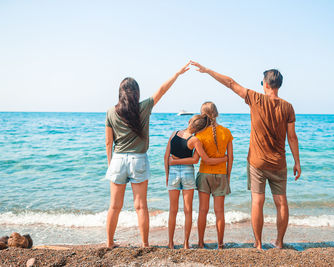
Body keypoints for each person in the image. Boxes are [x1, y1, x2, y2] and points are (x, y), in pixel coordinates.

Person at [190, 61, 301, 249]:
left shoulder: (255, 98)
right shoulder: (288, 107)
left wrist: (208, 71)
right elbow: (292, 137)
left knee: (257, 201)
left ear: (265, 84)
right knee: (281, 202)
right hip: (279, 162)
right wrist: (297, 162)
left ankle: (258, 244)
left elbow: (231, 83)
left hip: (257, 163)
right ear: (278, 85)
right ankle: (279, 242)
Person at [104, 62, 190, 249]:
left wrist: (111, 163)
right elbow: (162, 89)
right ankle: (144, 244)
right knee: (141, 206)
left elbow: (109, 142)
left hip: (118, 159)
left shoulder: (111, 111)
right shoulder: (144, 107)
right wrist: (177, 73)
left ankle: (109, 243)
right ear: (136, 92)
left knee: (114, 206)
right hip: (139, 159)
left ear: (120, 93)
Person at [170, 101, 234, 249]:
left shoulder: (199, 134)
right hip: (221, 174)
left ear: (202, 116)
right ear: (216, 113)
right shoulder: (227, 132)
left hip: (204, 175)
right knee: (219, 212)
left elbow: (198, 158)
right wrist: (228, 175)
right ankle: (220, 244)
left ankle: (200, 242)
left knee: (202, 211)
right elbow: (230, 157)